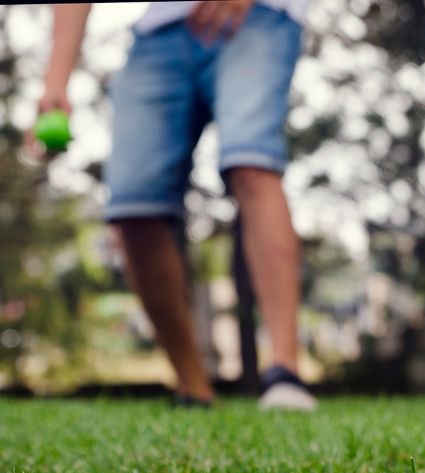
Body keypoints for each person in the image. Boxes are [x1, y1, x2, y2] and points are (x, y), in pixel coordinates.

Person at [30, 0, 316, 411]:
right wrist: (55, 81)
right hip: (156, 33)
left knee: (251, 162)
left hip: (257, 16)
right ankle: (191, 386)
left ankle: (285, 374)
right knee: (132, 206)